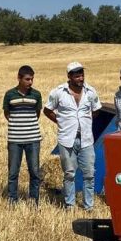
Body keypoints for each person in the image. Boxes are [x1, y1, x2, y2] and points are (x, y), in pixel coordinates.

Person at [44, 61, 101, 210]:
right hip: (66, 139)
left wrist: (84, 123)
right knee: (69, 174)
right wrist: (61, 122)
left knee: (89, 173)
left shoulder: (91, 92)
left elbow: (96, 110)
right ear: (69, 77)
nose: (80, 78)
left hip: (86, 139)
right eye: (77, 76)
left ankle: (89, 206)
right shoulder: (58, 92)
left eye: (82, 75)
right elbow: (47, 110)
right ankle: (70, 205)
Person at [3, 65, 43, 205]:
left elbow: (37, 114)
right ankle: (12, 200)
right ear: (19, 78)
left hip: (33, 139)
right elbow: (7, 114)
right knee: (13, 172)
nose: (30, 82)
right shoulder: (9, 95)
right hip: (15, 140)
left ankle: (34, 201)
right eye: (27, 79)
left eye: (32, 79)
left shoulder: (36, 95)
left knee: (35, 172)